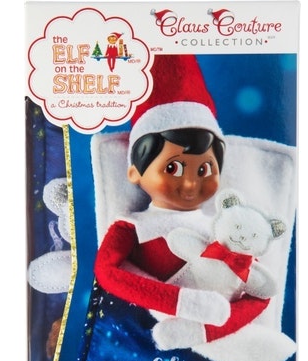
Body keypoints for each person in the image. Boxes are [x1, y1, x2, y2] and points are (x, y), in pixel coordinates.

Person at [93, 54, 269, 344]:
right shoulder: (132, 227)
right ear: (135, 171)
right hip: (140, 342)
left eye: (204, 170)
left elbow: (261, 293)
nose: (190, 183)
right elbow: (107, 272)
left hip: (213, 354)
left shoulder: (225, 230)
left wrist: (205, 331)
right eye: (173, 168)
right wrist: (184, 303)